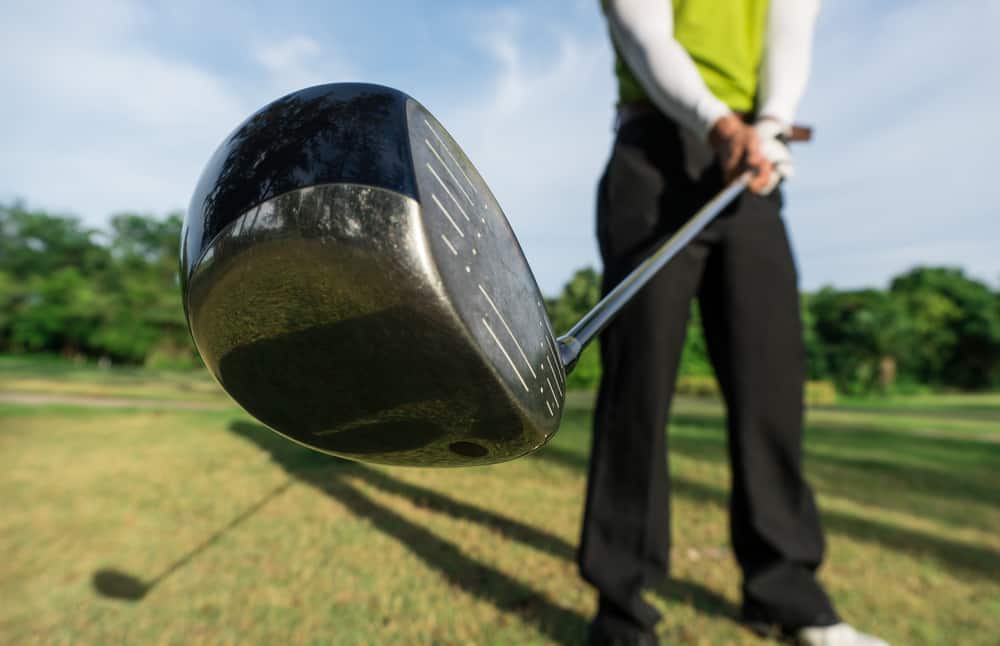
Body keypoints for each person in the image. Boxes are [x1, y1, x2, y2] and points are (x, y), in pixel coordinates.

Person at [580, 1, 888, 645]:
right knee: (638, 390)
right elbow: (640, 32)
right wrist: (717, 123)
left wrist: (769, 122)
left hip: (750, 161)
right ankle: (622, 613)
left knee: (771, 383)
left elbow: (789, 33)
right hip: (656, 151)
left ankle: (786, 594)